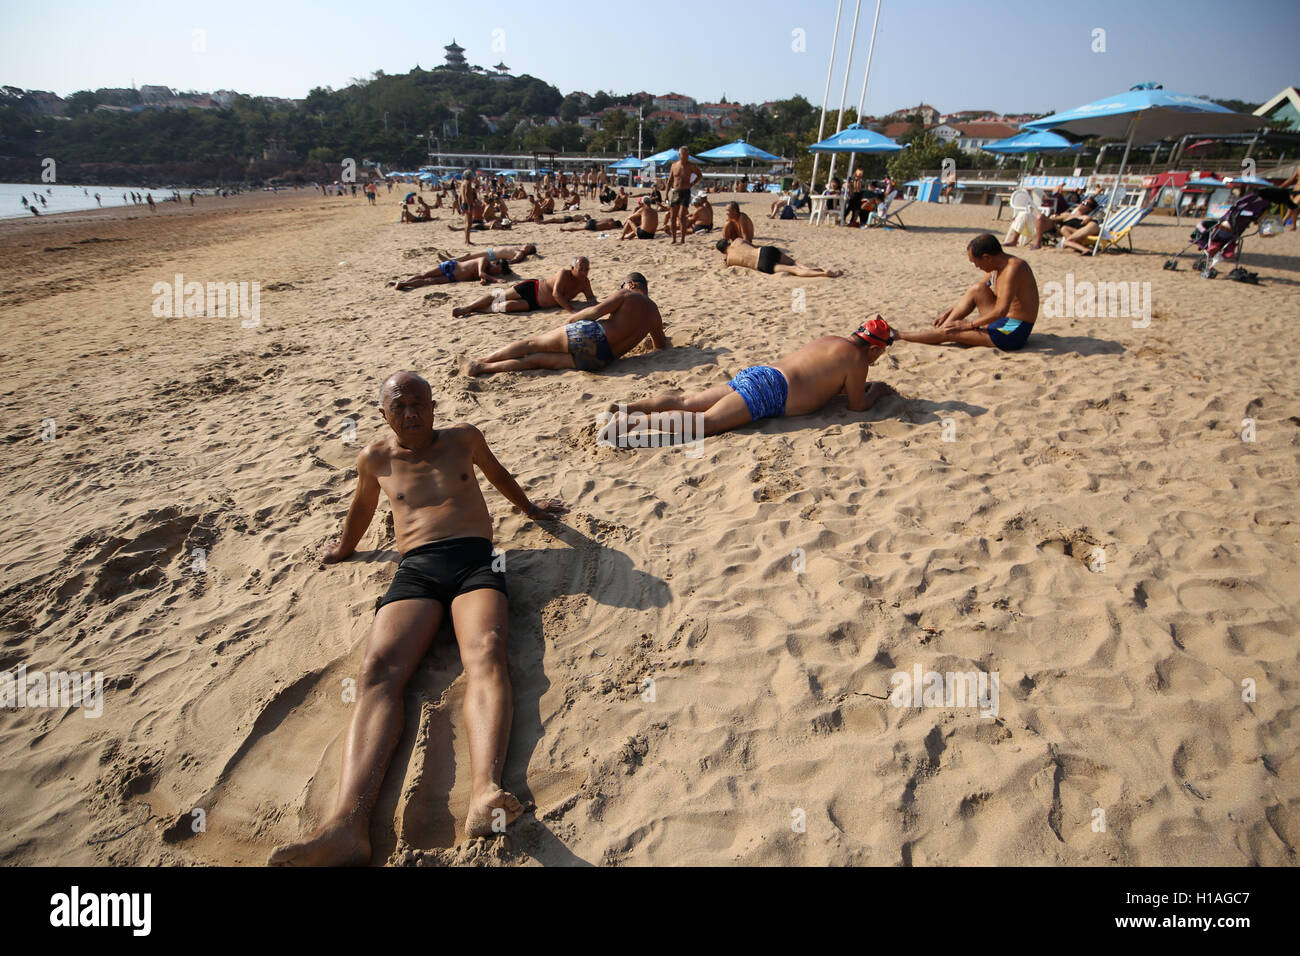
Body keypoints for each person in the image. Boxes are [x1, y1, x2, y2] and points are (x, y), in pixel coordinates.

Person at [267, 371, 563, 865]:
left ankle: (485, 792)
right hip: (417, 570)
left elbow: (498, 474)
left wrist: (530, 507)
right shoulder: (375, 458)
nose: (410, 413)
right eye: (399, 406)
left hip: (476, 561)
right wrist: (344, 548)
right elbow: (362, 507)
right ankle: (346, 826)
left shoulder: (464, 438)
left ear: (433, 405)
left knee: (487, 653)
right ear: (384, 415)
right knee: (377, 671)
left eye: (418, 402)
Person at [609, 318, 896, 440]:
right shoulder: (858, 360)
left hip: (762, 373)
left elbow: (825, 382)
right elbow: (858, 406)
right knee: (705, 423)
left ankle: (627, 408)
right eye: (878, 355)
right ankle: (633, 422)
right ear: (873, 348)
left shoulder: (832, 339)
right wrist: (877, 391)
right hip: (772, 392)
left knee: (686, 401)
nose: (875, 360)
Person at [456, 274, 667, 376]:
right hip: (602, 360)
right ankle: (484, 369)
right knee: (535, 361)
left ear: (630, 284)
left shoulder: (627, 294)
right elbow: (661, 346)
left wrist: (570, 322)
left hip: (592, 335)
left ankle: (480, 362)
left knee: (531, 345)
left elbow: (595, 312)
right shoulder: (655, 315)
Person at [895, 233, 1039, 351]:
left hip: (1013, 329)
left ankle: (900, 335)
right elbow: (973, 293)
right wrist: (949, 312)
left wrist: (968, 325)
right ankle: (945, 328)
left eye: (975, 262)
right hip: (999, 321)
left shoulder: (1014, 268)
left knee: (953, 333)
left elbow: (1001, 310)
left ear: (987, 258)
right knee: (977, 288)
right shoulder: (996, 266)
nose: (976, 266)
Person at [451, 256, 597, 317]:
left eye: (587, 269)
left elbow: (591, 300)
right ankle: (469, 307)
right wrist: (571, 310)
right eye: (581, 268)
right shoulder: (564, 274)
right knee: (499, 295)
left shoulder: (585, 282)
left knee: (505, 307)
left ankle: (480, 309)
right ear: (573, 268)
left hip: (537, 304)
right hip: (533, 288)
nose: (585, 272)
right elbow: (556, 294)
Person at [715, 236, 842, 277]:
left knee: (794, 271)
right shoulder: (737, 240)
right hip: (764, 251)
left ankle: (822, 274)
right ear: (728, 241)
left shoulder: (729, 260)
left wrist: (726, 259)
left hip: (761, 265)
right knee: (795, 263)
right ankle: (822, 270)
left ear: (722, 252)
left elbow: (726, 263)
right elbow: (751, 245)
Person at [392, 256, 511, 290]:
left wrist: (484, 280)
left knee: (428, 281)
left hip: (454, 277)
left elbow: (480, 276)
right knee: (425, 275)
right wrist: (495, 280)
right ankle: (404, 282)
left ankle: (403, 284)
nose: (496, 272)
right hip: (451, 266)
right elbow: (480, 273)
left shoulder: (487, 271)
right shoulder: (484, 260)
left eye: (499, 272)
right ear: (495, 263)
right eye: (498, 268)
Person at [665, 147, 704, 245]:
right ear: (680, 155)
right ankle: (674, 239)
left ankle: (682, 239)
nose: (686, 157)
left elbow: (699, 175)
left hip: (685, 192)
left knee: (682, 216)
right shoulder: (674, 166)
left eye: (687, 155)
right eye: (684, 155)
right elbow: (670, 180)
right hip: (675, 192)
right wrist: (666, 194)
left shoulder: (691, 166)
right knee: (672, 217)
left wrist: (692, 183)